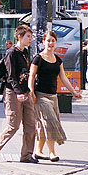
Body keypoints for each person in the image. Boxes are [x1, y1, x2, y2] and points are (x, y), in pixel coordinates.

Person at [29, 30, 82, 161]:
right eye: (48, 40)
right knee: (50, 122)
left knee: (45, 124)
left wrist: (73, 92)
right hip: (40, 95)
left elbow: (63, 78)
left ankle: (39, 151)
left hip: (53, 96)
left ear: (56, 42)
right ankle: (52, 152)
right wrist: (31, 92)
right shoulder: (38, 58)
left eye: (53, 40)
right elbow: (31, 76)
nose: (50, 43)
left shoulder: (58, 60)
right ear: (43, 42)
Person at [0, 24, 38, 163]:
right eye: (28, 36)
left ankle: (26, 155)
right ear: (19, 37)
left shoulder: (25, 52)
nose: (30, 39)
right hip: (13, 92)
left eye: (30, 36)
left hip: (26, 92)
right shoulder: (11, 53)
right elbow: (11, 76)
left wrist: (29, 90)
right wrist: (18, 93)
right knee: (13, 125)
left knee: (30, 125)